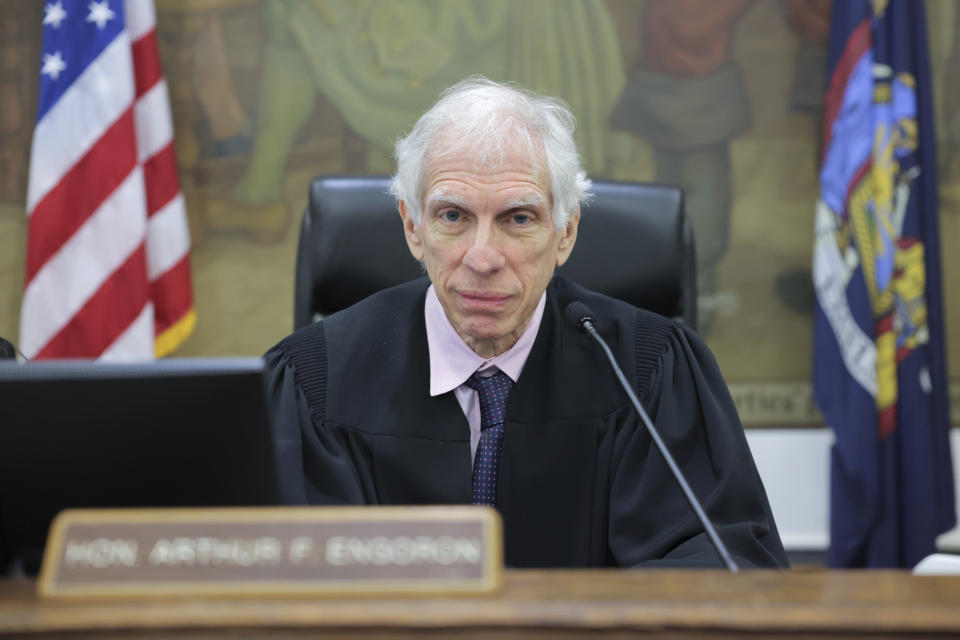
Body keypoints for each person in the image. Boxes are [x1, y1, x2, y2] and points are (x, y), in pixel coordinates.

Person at [265, 76, 788, 568]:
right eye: (453, 216)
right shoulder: (314, 382)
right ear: (412, 227)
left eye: (518, 218)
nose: (483, 257)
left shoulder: (649, 373)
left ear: (565, 233)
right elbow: (283, 578)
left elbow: (718, 564)